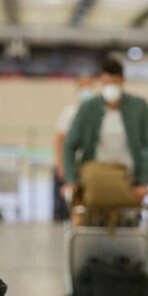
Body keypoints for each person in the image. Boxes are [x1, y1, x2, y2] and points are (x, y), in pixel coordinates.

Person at [62, 58, 148, 204]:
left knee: (126, 222)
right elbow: (69, 145)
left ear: (122, 81)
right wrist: (71, 180)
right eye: (106, 82)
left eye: (115, 82)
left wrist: (144, 182)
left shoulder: (139, 107)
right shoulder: (88, 108)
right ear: (101, 81)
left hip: (128, 179)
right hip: (94, 179)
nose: (111, 87)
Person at [53, 75, 95, 221]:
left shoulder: (97, 111)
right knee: (75, 204)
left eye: (88, 86)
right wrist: (60, 165)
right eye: (82, 86)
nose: (85, 89)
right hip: (74, 167)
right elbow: (60, 141)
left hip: (92, 166)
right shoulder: (69, 112)